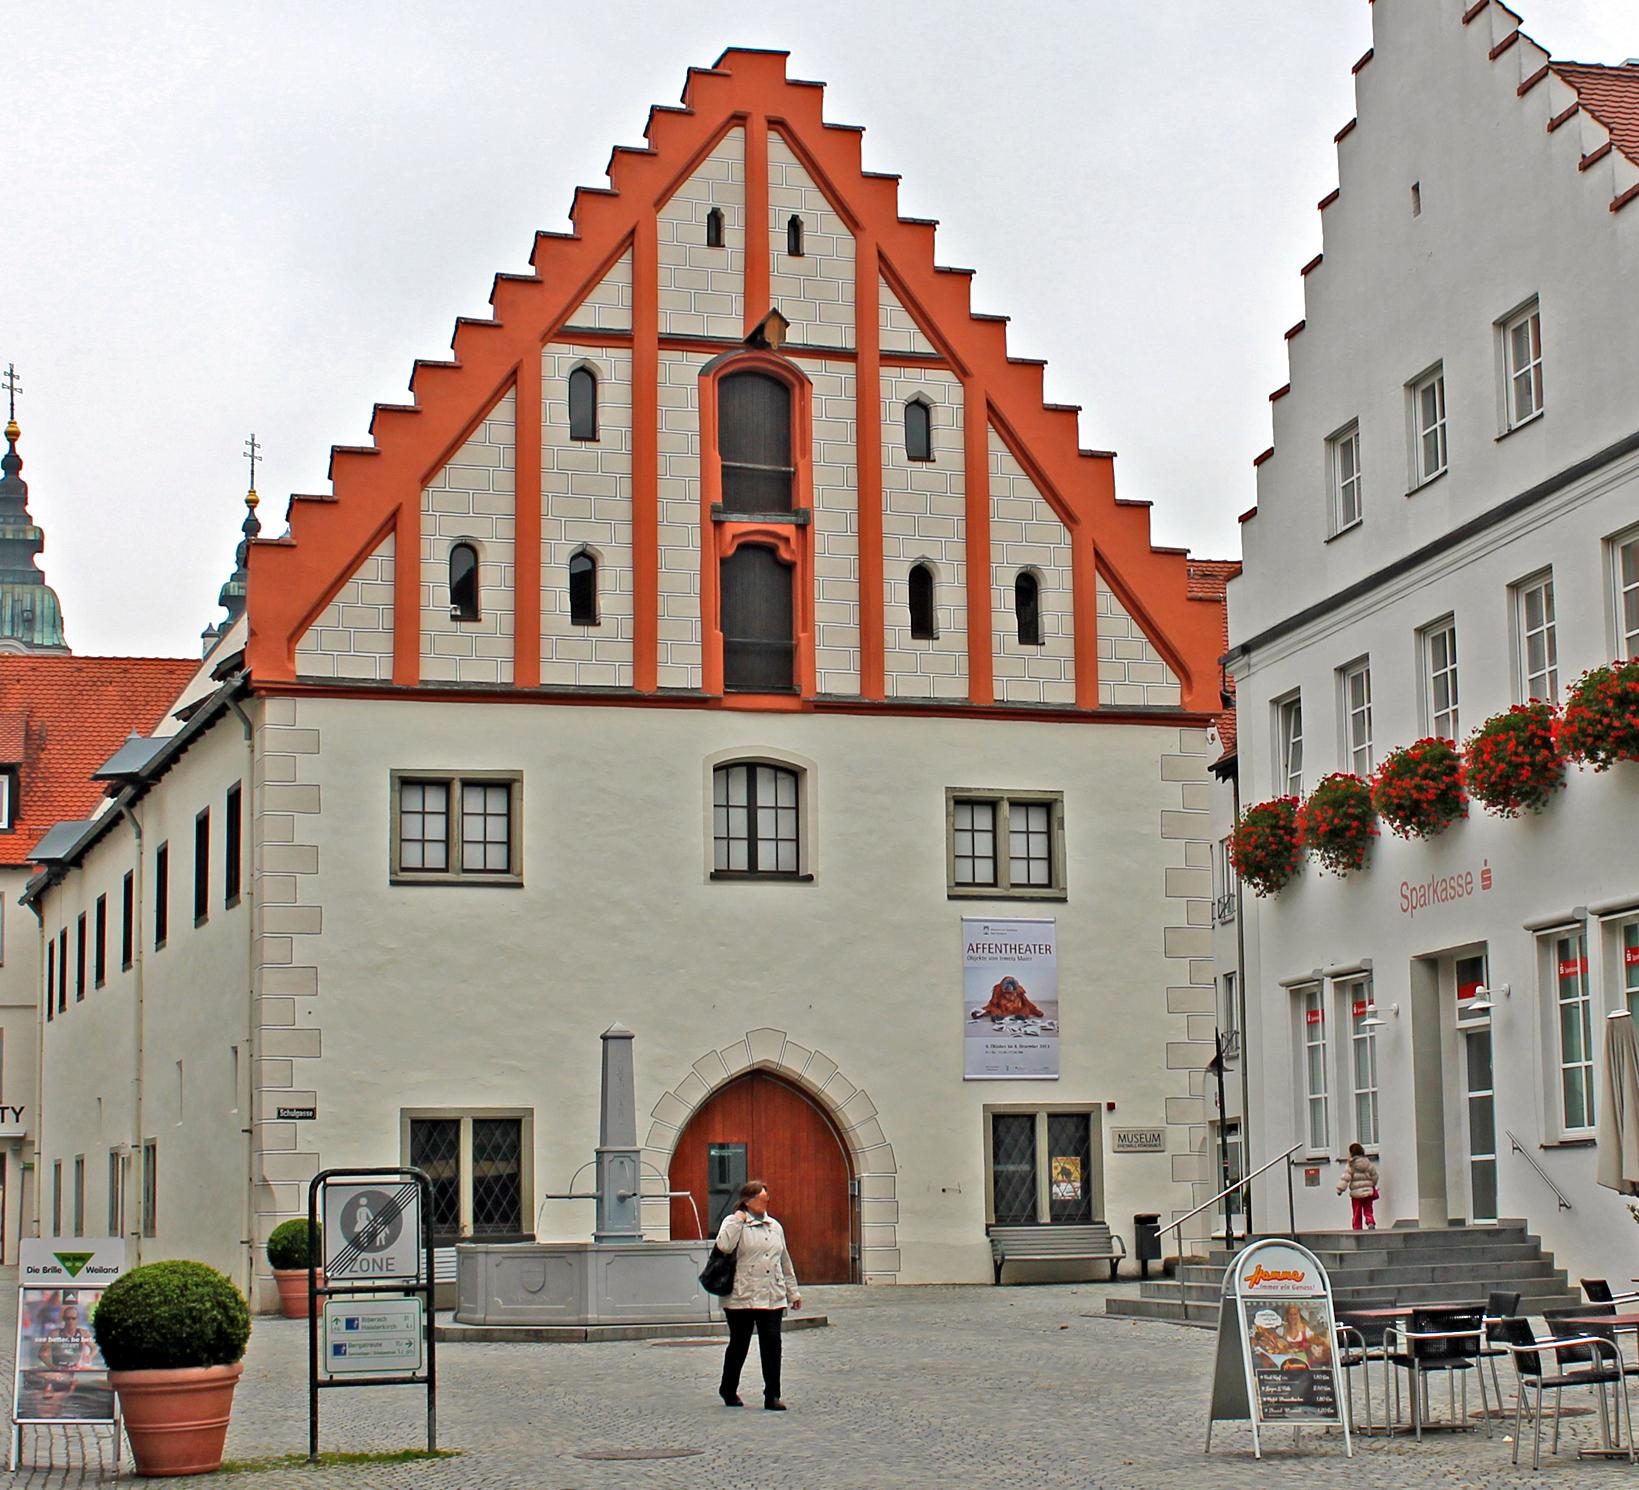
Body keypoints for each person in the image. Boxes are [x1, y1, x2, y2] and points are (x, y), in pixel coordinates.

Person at [714, 1180, 801, 1410]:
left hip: (772, 1294)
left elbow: (784, 1260)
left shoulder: (775, 1226)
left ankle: (772, 1394)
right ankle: (728, 1389)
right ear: (748, 1201)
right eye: (761, 1200)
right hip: (741, 1295)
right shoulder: (734, 1222)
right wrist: (737, 1220)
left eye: (767, 1200)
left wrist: (793, 1292)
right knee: (739, 1344)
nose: (765, 1203)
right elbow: (723, 1246)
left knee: (772, 1344)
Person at [1337, 1142, 1379, 1230]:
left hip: (1356, 1194)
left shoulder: (1351, 1165)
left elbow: (1346, 1178)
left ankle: (1357, 1227)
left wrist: (1340, 1189)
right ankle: (1370, 1221)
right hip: (1368, 1192)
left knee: (1357, 1211)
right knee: (1368, 1210)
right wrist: (1372, 1185)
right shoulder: (1368, 1163)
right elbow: (1375, 1176)